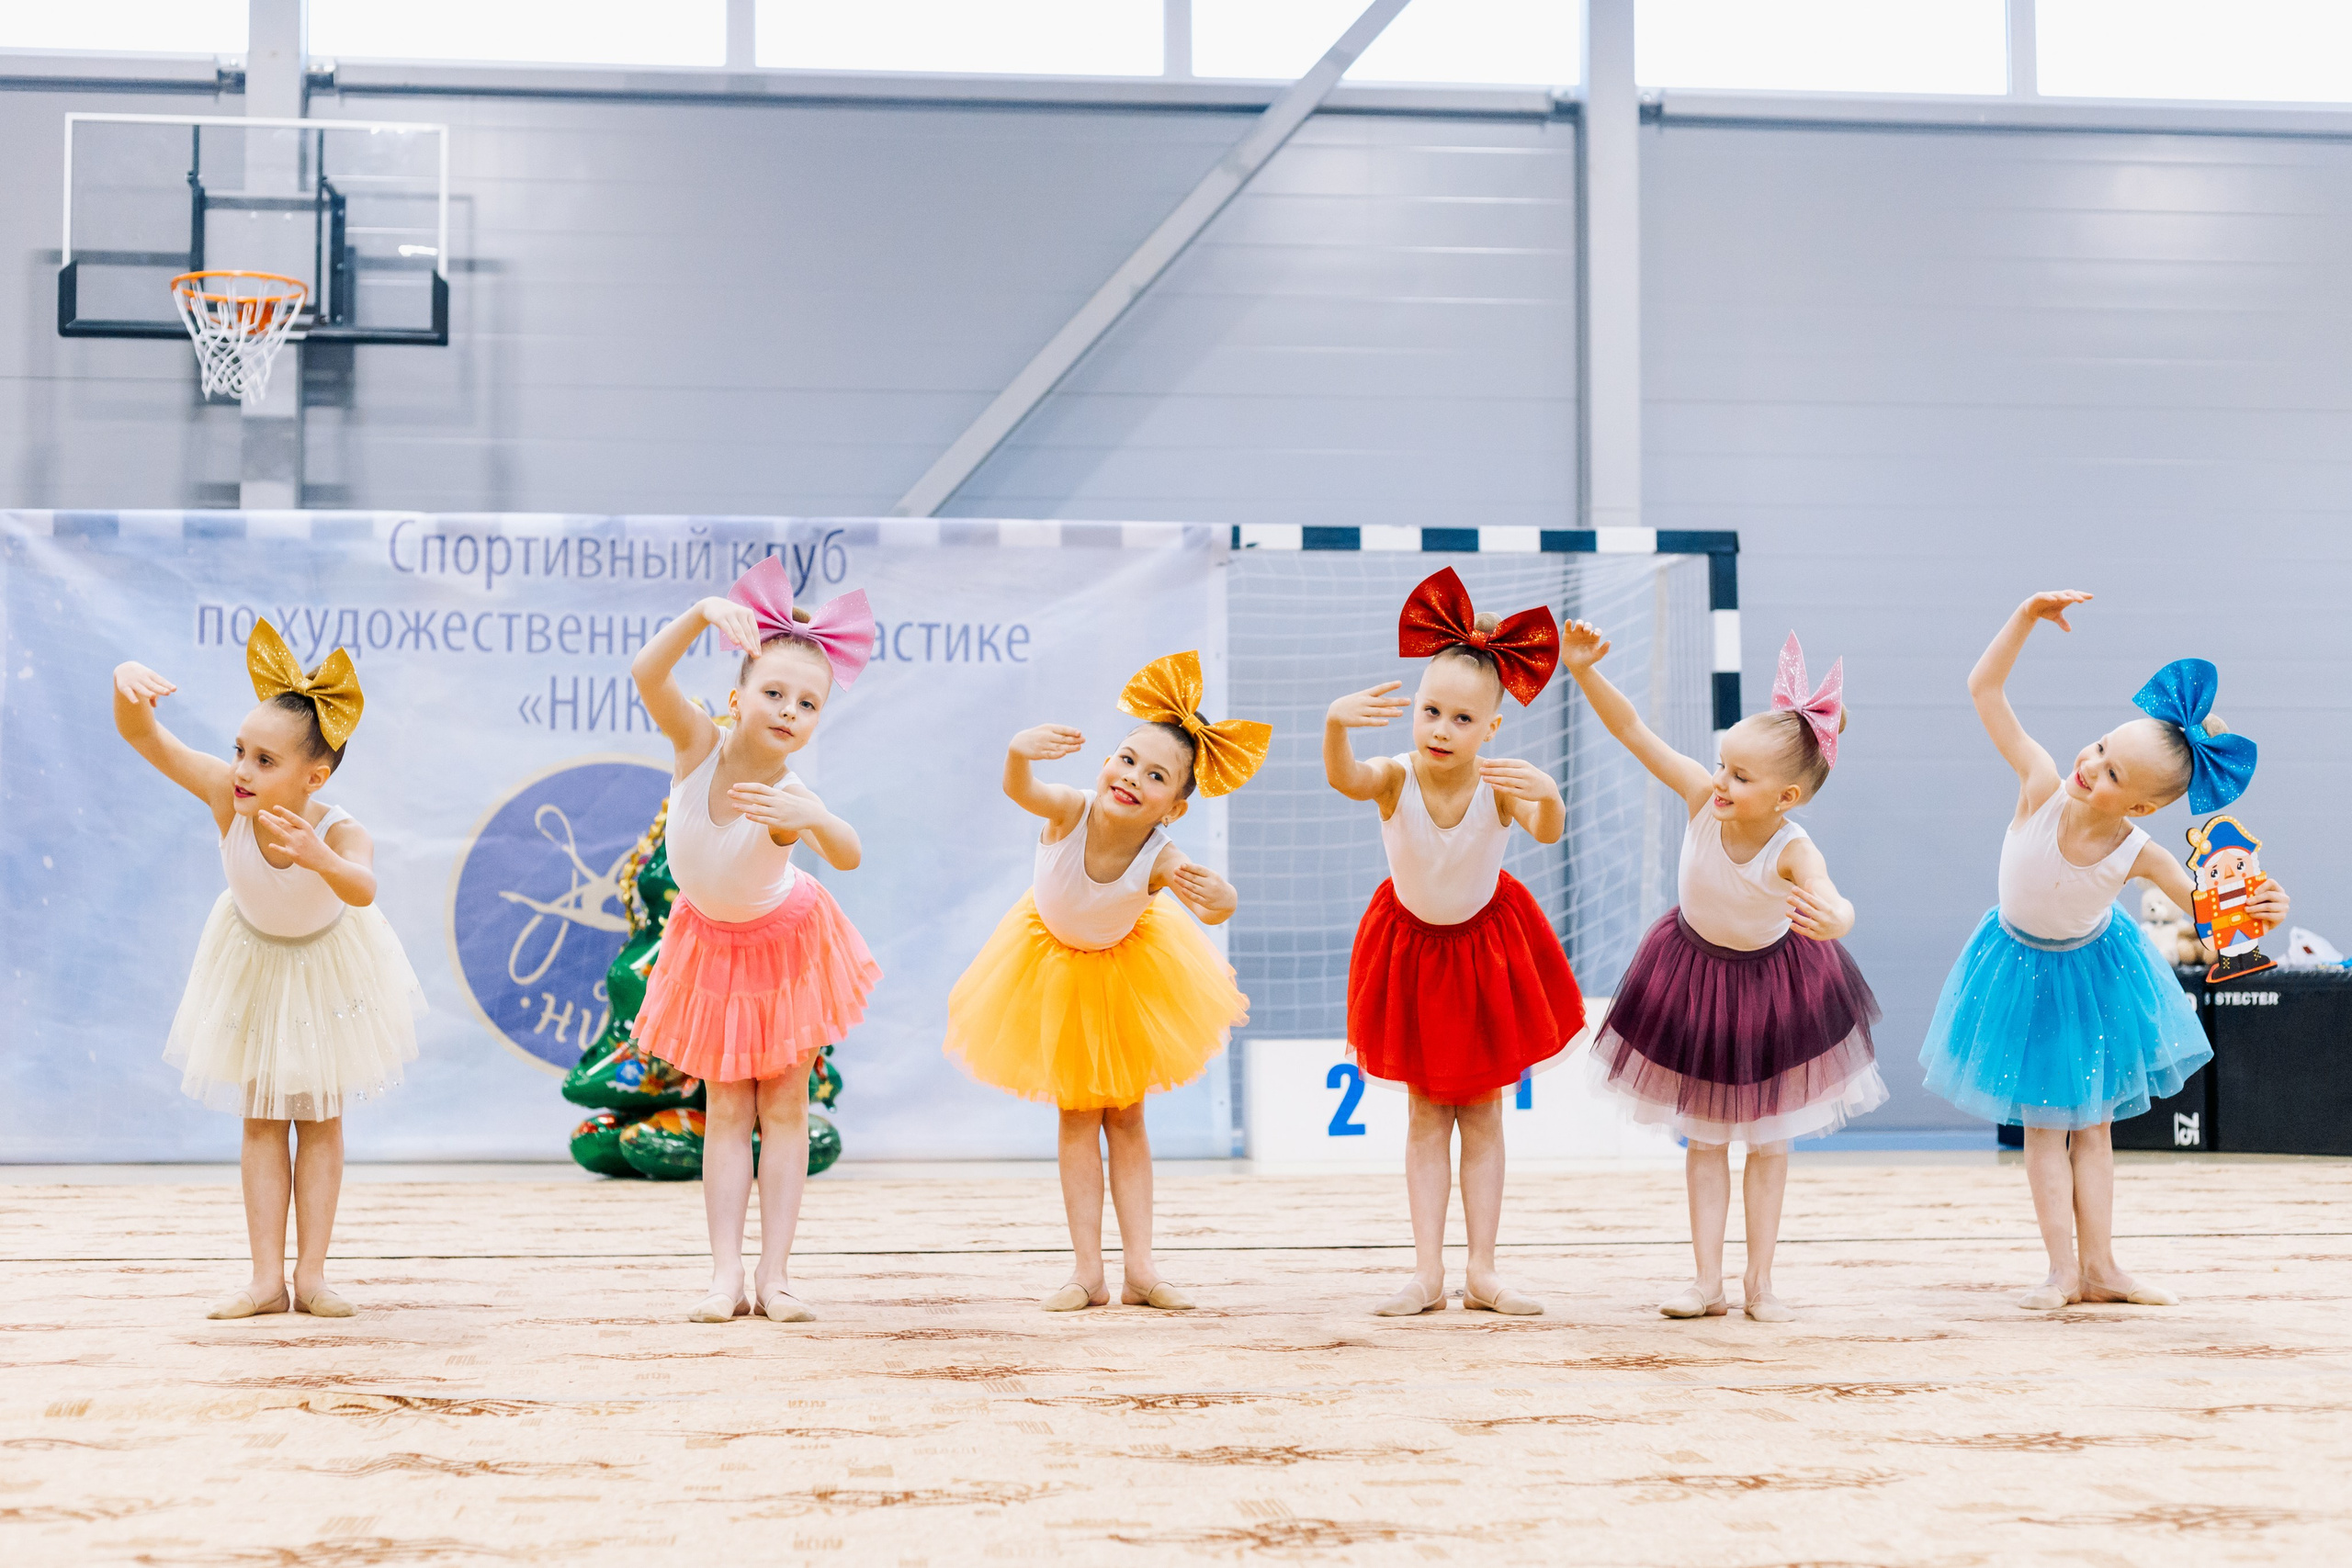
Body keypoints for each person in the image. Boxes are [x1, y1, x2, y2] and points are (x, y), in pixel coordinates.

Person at [1921, 591, 2287, 1310]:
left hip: (2094, 974)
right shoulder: (2039, 786)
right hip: (2019, 969)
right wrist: (2024, 617)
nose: (2091, 766)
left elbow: (2212, 918)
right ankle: (2062, 1271)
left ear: (2144, 807)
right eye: (2100, 748)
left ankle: (2103, 1265)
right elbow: (1983, 689)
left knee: (2093, 1128)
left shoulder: (2140, 850)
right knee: (2043, 1127)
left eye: (2115, 773)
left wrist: (2265, 911)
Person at [1566, 626, 1886, 1322]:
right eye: (1722, 763)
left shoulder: (1792, 846)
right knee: (1705, 1138)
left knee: (1770, 1142)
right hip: (1693, 978)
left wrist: (1838, 917)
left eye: (1741, 776)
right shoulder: (1700, 799)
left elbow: (1831, 892)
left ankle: (1760, 1281)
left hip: (1773, 994)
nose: (1720, 780)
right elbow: (1634, 732)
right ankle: (1706, 1280)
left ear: (1787, 797)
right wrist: (1586, 673)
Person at [114, 621, 422, 1319]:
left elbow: (362, 887)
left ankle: (311, 1276)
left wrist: (320, 857)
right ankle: (265, 1279)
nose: (243, 770)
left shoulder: (341, 829)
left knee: (319, 1119)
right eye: (240, 752)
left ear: (313, 776)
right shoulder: (229, 797)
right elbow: (145, 738)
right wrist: (125, 684)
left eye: (264, 760)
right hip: (253, 962)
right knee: (259, 1118)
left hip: (325, 970)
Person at [946, 651, 1264, 1313]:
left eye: (1155, 776)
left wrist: (1225, 895)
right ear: (1105, 762)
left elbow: (1213, 904)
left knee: (1128, 1118)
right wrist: (1016, 751)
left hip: (1125, 972)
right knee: (1075, 1116)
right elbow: (1020, 789)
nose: (1132, 778)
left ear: (1174, 808)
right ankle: (1086, 1271)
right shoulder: (1070, 809)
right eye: (1126, 759)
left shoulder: (1161, 854)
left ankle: (1141, 1269)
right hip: (1051, 966)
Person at [1325, 568, 1584, 1318]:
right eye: (1431, 710)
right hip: (1411, 951)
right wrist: (1337, 724)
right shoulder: (1393, 776)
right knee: (1423, 1115)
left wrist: (1550, 792)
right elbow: (1346, 778)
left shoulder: (1502, 780)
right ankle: (1428, 1271)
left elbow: (1546, 830)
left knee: (1482, 1113)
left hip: (1484, 952)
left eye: (1462, 719)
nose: (1441, 729)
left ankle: (1484, 1269)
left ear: (1493, 728)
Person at [629, 558, 881, 1325]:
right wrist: (705, 610)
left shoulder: (789, 794)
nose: (787, 709)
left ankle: (776, 1277)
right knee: (725, 1109)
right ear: (739, 697)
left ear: (815, 721)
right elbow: (647, 672)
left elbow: (848, 851)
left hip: (786, 945)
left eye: (807, 703)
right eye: (773, 692)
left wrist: (812, 820)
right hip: (710, 943)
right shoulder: (697, 745)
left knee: (784, 1107)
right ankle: (723, 1275)